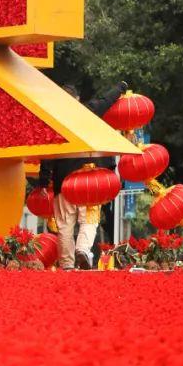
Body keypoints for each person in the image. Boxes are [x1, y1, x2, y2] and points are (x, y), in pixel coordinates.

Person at [41, 81, 127, 270]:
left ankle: (67, 264)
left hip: (64, 182)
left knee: (64, 225)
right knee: (89, 220)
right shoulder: (88, 111)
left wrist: (43, 180)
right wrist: (120, 88)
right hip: (90, 182)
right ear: (77, 99)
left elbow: (46, 153)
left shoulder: (54, 122)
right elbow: (105, 100)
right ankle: (83, 249)